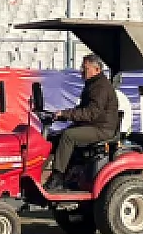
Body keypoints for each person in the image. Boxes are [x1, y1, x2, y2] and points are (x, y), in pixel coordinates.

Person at [44, 54, 122, 190]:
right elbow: (82, 110)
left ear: (97, 69)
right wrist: (62, 115)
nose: (81, 71)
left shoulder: (100, 87)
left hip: (102, 129)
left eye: (85, 68)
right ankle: (66, 175)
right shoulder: (93, 85)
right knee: (55, 137)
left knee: (69, 136)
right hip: (95, 124)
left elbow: (91, 113)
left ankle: (58, 177)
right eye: (82, 68)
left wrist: (65, 114)